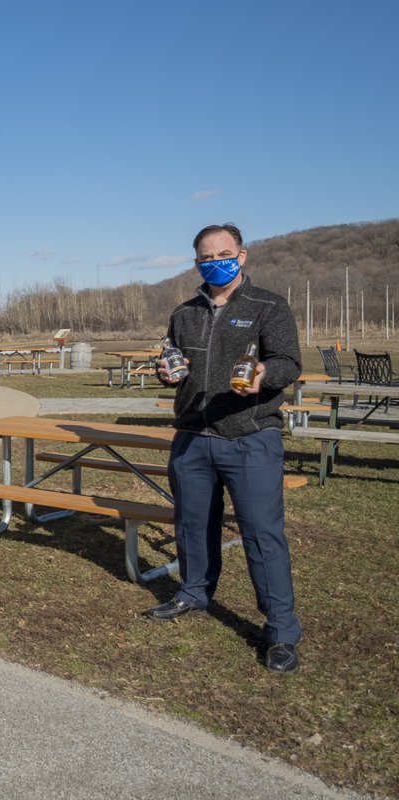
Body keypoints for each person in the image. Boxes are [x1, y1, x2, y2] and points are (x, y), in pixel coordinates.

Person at [147, 223, 302, 674]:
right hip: (193, 438)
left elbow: (289, 362)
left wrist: (263, 376)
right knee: (193, 526)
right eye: (207, 257)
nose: (217, 262)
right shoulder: (185, 312)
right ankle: (193, 593)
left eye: (225, 253)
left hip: (249, 437)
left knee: (261, 534)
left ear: (243, 255)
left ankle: (281, 629)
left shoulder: (268, 306)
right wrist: (166, 370)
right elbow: (173, 356)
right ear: (196, 263)